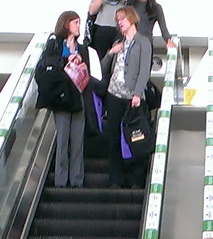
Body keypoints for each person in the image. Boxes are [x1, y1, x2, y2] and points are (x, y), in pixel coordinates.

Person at [101, 7, 152, 188]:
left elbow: (145, 70)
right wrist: (111, 52)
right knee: (114, 138)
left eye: (122, 18)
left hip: (133, 97)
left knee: (135, 138)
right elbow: (103, 67)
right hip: (114, 95)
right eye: (117, 20)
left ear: (131, 19)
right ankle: (116, 179)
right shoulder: (119, 42)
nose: (119, 22)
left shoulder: (142, 42)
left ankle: (136, 180)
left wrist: (138, 93)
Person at [41, 11, 90, 187]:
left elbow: (89, 75)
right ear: (66, 24)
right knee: (62, 140)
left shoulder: (82, 48)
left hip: (78, 96)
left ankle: (77, 179)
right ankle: (61, 181)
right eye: (75, 22)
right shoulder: (55, 43)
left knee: (78, 141)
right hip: (61, 97)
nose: (78, 26)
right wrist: (66, 59)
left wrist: (83, 67)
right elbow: (46, 62)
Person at [87, 0, 124, 68]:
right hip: (102, 29)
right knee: (100, 61)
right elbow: (92, 11)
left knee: (117, 61)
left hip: (120, 30)